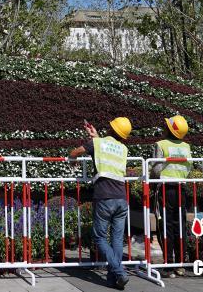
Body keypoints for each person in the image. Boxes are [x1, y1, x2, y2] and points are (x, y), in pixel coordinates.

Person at [71, 116, 132, 290]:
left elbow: (75, 152)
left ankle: (119, 272)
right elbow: (106, 148)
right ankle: (114, 280)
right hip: (121, 197)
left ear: (111, 129)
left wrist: (72, 161)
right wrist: (95, 135)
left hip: (104, 197)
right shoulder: (123, 148)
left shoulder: (98, 144)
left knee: (99, 237)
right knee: (117, 240)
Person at [151, 115, 192, 278]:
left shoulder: (161, 144)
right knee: (179, 227)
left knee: (165, 227)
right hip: (181, 189)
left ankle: (168, 265)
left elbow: (156, 168)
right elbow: (188, 168)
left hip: (165, 190)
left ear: (169, 129)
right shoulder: (186, 146)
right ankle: (180, 265)